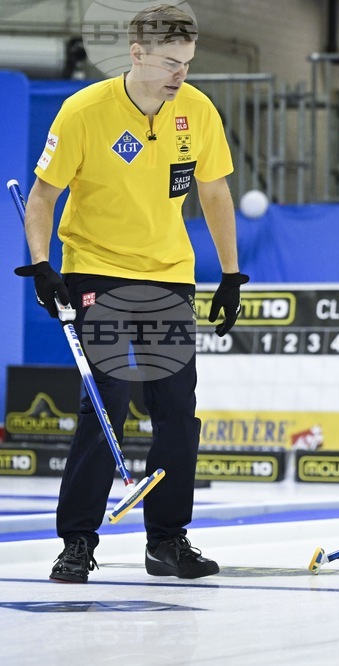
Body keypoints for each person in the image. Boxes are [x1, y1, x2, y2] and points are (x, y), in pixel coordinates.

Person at [15, 4, 247, 582]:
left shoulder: (197, 110)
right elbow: (42, 196)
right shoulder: (83, 111)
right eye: (171, 63)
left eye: (188, 64)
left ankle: (167, 541)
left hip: (169, 273)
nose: (181, 76)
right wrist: (44, 265)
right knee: (107, 403)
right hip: (98, 269)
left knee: (176, 413)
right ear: (136, 53)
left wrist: (230, 274)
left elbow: (214, 193)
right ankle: (77, 542)